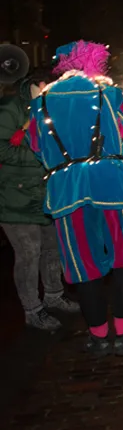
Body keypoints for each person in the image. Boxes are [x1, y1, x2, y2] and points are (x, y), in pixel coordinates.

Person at [27, 41, 123, 357]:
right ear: (95, 64)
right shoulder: (108, 96)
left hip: (67, 190)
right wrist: (112, 155)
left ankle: (98, 336)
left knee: (83, 264)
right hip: (113, 187)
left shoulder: (41, 103)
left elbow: (37, 147)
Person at [0, 67, 80, 332]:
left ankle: (54, 295)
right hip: (15, 196)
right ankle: (32, 309)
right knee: (28, 253)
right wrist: (41, 156)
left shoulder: (51, 105)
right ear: (40, 84)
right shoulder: (11, 108)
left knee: (52, 247)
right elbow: (3, 150)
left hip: (46, 192)